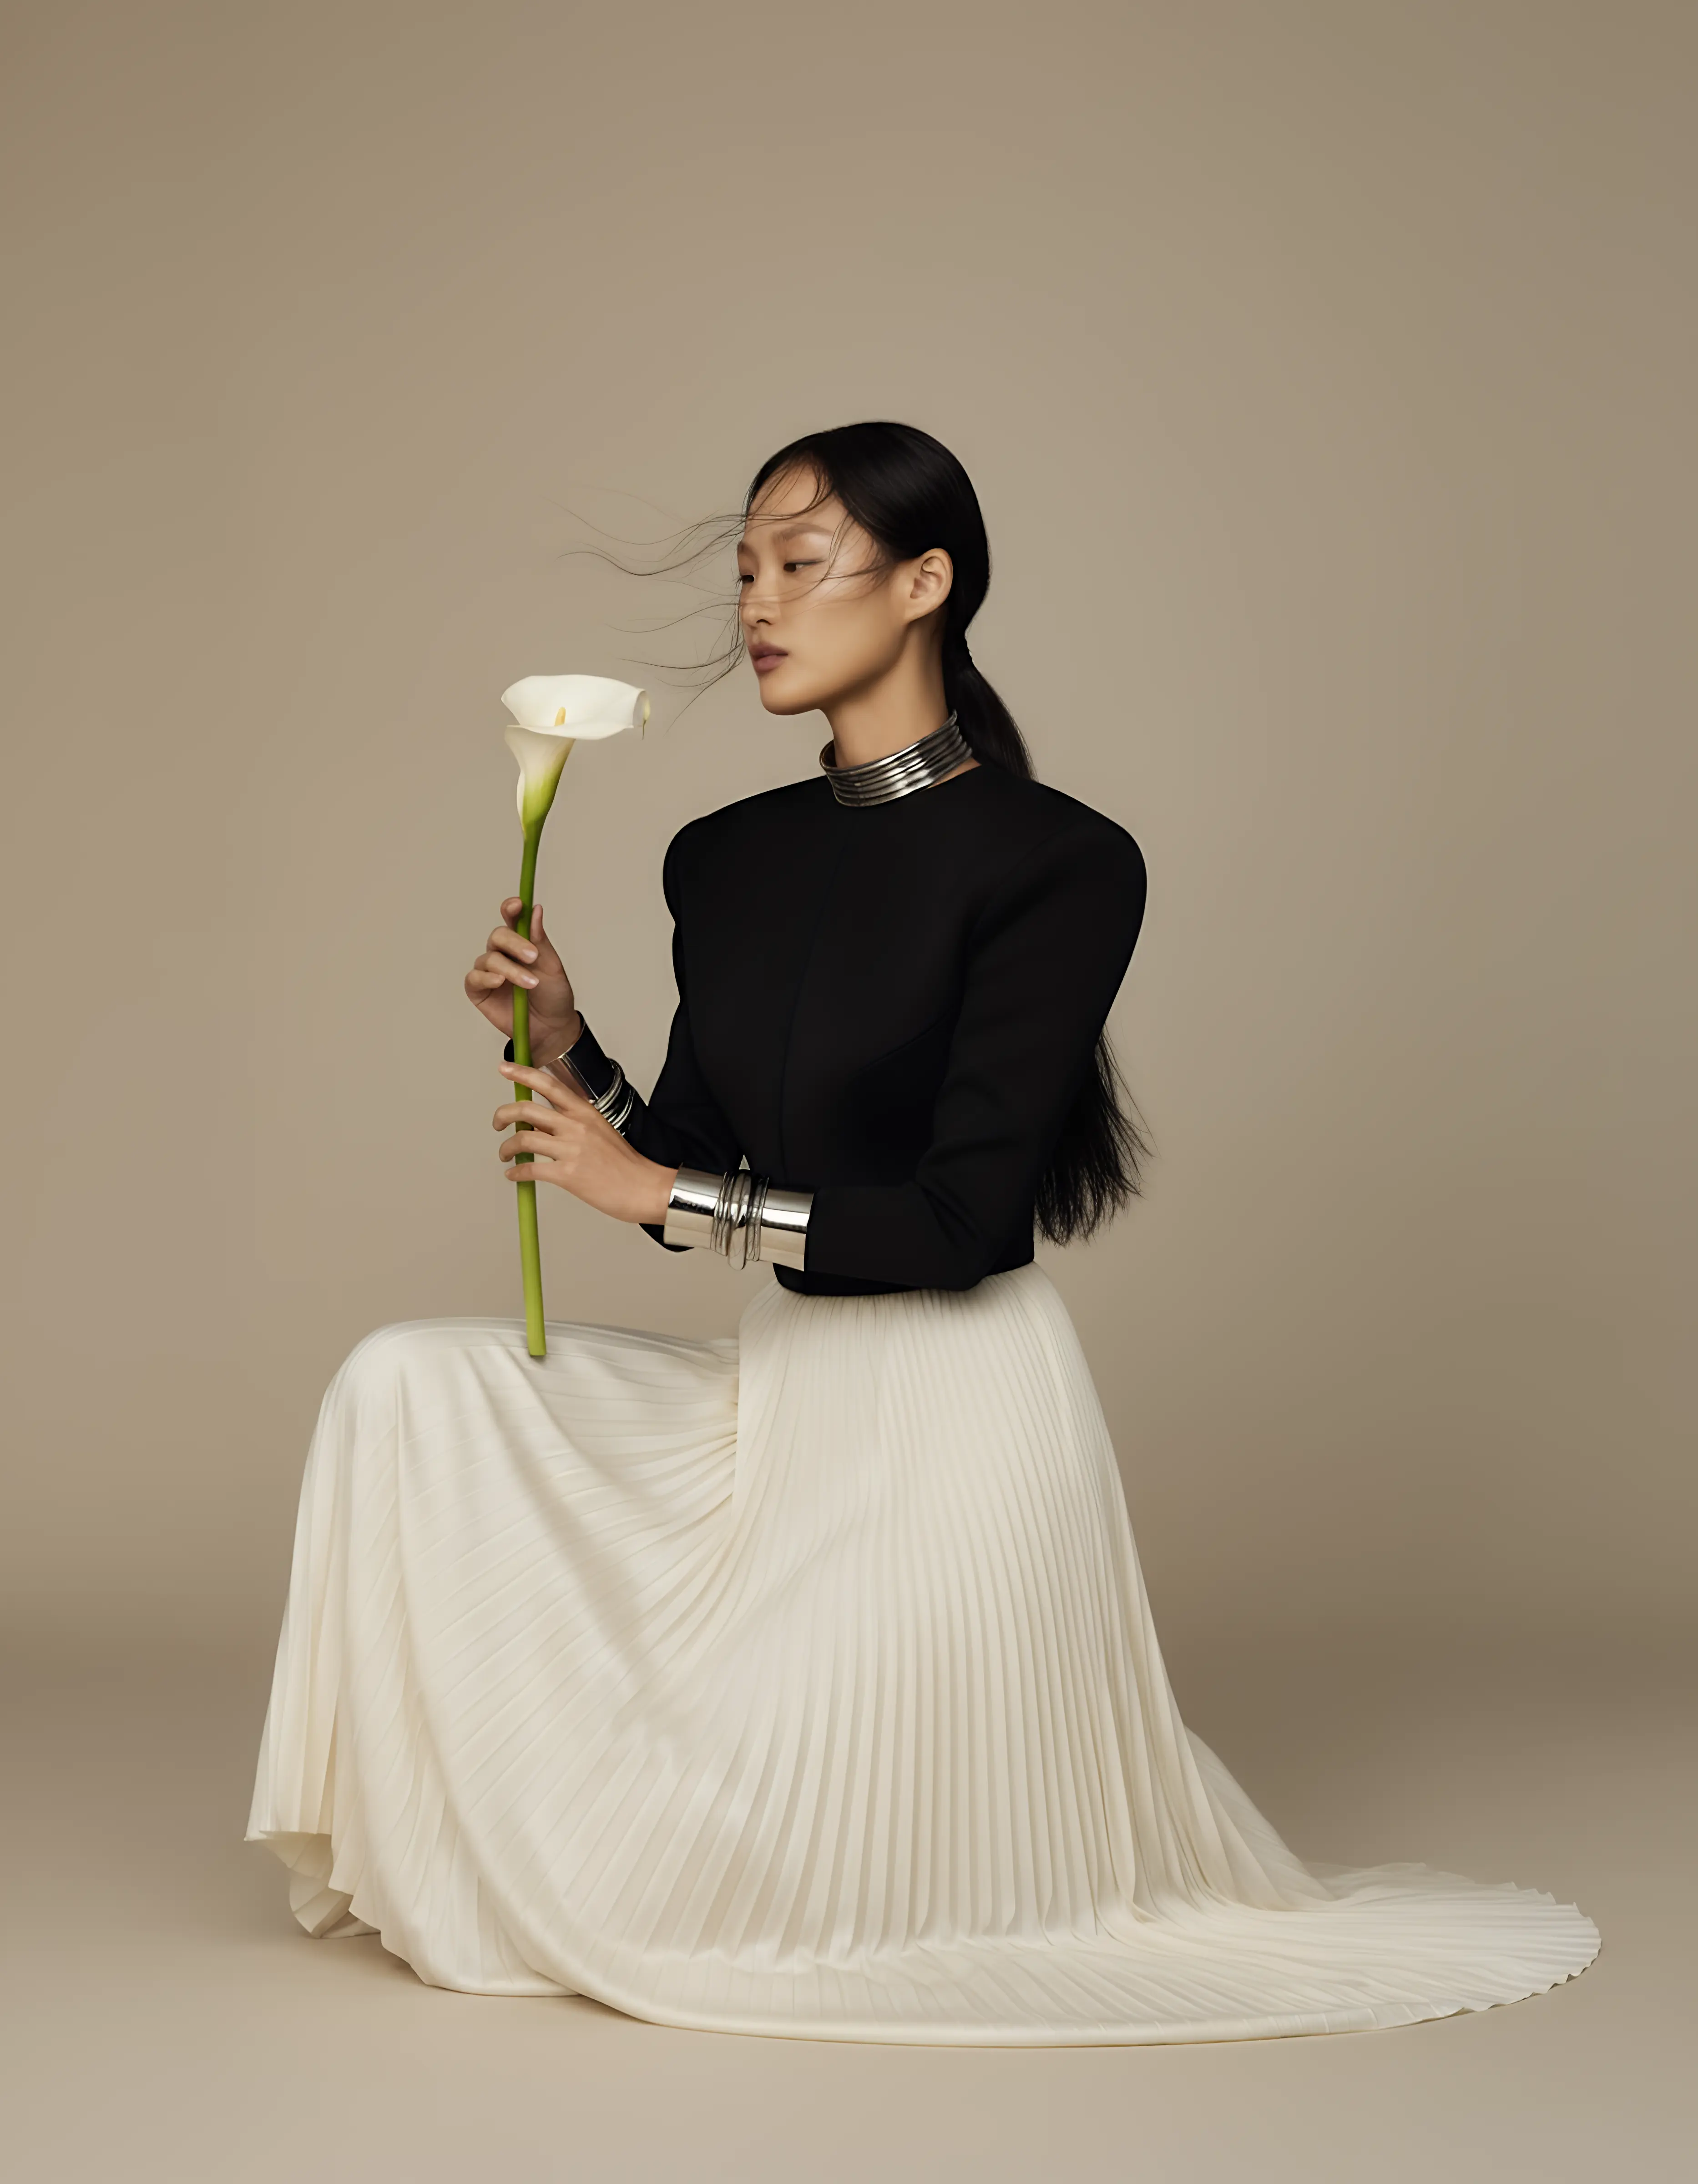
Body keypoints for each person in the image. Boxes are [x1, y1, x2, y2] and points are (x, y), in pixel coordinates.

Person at [248, 421, 1598, 2043]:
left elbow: (960, 1222)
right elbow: (686, 1154)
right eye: (744, 569)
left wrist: (652, 1188)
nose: (756, 602)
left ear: (924, 583)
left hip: (953, 1430)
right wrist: (564, 1040)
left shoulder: (1062, 864)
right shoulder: (724, 856)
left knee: (837, 1879)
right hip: (781, 1400)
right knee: (408, 1382)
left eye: (798, 564)